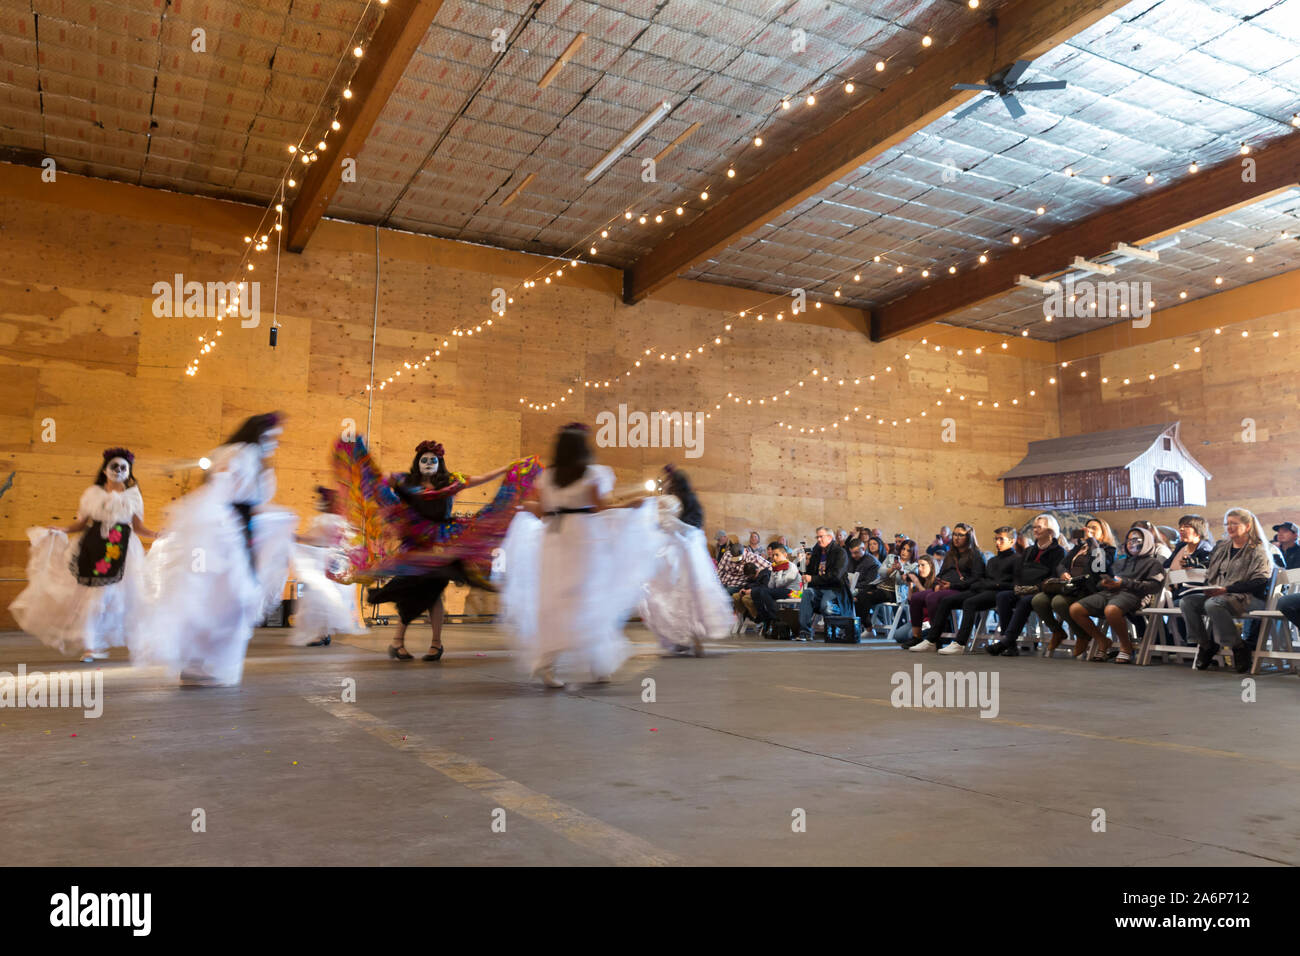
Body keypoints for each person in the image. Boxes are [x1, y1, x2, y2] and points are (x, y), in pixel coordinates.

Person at [134, 413, 298, 685]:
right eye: (270, 436)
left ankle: (200, 662)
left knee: (224, 599)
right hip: (227, 532)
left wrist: (276, 521)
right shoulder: (241, 452)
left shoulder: (257, 461)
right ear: (256, 434)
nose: (274, 442)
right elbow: (223, 482)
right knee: (224, 596)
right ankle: (197, 662)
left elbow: (253, 502)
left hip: (242, 530)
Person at [500, 424, 656, 687]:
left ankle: (548, 664)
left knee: (553, 600)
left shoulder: (548, 477)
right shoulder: (592, 475)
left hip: (552, 539)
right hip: (584, 541)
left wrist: (526, 507)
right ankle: (599, 664)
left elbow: (537, 509)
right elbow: (602, 507)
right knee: (589, 598)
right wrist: (633, 503)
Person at [356, 440, 521, 662]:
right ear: (418, 462)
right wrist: (367, 464)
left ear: (439, 462)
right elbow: (379, 482)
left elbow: (481, 478)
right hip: (415, 548)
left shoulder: (452, 482)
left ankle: (432, 643)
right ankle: (400, 642)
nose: (428, 463)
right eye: (424, 459)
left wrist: (507, 468)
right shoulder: (406, 481)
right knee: (412, 592)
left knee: (434, 593)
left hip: (442, 548)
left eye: (433, 460)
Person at [10, 447, 156, 662]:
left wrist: (156, 534)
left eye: (123, 467)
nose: (118, 471)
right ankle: (90, 646)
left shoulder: (133, 497)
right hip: (94, 545)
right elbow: (80, 523)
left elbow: (138, 526)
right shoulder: (92, 494)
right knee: (93, 599)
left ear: (129, 471)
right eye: (114, 466)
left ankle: (133, 644)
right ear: (105, 470)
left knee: (121, 599)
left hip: (122, 549)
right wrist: (63, 530)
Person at [638, 465, 732, 657]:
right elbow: (694, 527)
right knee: (692, 594)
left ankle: (680, 638)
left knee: (673, 594)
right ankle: (693, 640)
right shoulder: (692, 502)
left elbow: (661, 523)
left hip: (676, 553)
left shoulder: (670, 501)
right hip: (692, 554)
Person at [1180, 507, 1274, 674]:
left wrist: (1226, 589)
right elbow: (1211, 572)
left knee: (1213, 604)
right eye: (1227, 524)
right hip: (1220, 595)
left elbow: (1260, 582)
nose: (1229, 527)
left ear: (1248, 525)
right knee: (1187, 602)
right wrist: (1209, 587)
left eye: (1234, 523)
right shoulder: (1222, 547)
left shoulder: (1258, 549)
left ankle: (1238, 647)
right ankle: (1206, 645)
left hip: (1249, 598)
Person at [1068, 526, 1167, 664]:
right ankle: (1102, 640)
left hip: (1134, 596)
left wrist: (1125, 583)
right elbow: (1108, 577)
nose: (1132, 543)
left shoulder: (1154, 563)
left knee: (1111, 610)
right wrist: (1104, 583)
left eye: (1136, 540)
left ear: (1147, 541)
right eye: (1129, 540)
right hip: (1110, 592)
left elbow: (1154, 586)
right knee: (1075, 609)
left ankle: (1126, 646)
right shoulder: (1120, 562)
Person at [290, 486, 365, 647]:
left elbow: (316, 538)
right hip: (337, 563)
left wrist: (297, 537)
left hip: (324, 562)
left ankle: (322, 633)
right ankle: (324, 633)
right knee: (328, 597)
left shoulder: (327, 520)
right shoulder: (342, 521)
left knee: (319, 598)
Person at [1032, 517, 1115, 659]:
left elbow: (1099, 567)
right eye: (1087, 528)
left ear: (1103, 533)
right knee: (1038, 600)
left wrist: (1091, 541)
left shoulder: (1107, 549)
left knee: (1059, 602)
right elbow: (1061, 564)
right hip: (1070, 587)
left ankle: (1082, 635)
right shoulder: (1078, 548)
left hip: (1089, 589)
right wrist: (1063, 573)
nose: (1089, 530)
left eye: (1094, 528)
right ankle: (1057, 631)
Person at [987, 514, 1066, 656]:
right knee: (1003, 597)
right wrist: (1019, 587)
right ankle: (1010, 645)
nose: (1035, 530)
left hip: (1043, 591)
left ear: (1050, 530)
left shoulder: (1059, 551)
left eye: (1039, 527)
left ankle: (1006, 641)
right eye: (1034, 527)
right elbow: (1019, 572)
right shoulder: (1029, 550)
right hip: (1025, 589)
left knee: (1024, 601)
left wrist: (1035, 589)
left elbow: (1054, 577)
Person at [906, 523, 985, 652]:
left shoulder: (976, 555)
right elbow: (941, 573)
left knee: (932, 598)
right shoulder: (950, 554)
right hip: (944, 587)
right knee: (916, 598)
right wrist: (937, 584)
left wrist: (952, 585)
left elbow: (977, 579)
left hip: (961, 589)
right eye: (954, 534)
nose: (956, 538)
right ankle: (917, 637)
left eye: (960, 535)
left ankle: (934, 639)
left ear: (969, 537)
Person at [949, 525, 1019, 651]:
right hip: (987, 590)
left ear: (1012, 541)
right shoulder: (992, 560)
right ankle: (933, 639)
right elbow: (985, 580)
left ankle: (960, 643)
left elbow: (1015, 583)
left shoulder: (1017, 559)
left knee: (969, 603)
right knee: (953, 599)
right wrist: (987, 584)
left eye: (1001, 539)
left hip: (1002, 593)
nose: (997, 542)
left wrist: (996, 585)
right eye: (996, 539)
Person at [795, 527, 848, 642]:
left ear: (830, 537)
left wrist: (812, 578)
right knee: (807, 593)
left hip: (835, 588)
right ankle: (805, 632)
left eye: (821, 536)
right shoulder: (817, 552)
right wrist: (803, 564)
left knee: (825, 605)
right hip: (819, 588)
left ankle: (838, 623)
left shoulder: (840, 552)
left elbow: (835, 576)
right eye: (817, 537)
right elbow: (809, 574)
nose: (818, 539)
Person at [751, 545, 800, 633]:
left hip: (794, 592)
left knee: (766, 592)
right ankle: (765, 617)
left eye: (777, 555)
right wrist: (774, 573)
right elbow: (771, 585)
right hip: (781, 591)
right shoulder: (776, 567)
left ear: (785, 555)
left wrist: (779, 571)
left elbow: (780, 584)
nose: (774, 558)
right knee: (755, 592)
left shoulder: (792, 566)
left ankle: (775, 618)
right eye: (773, 555)